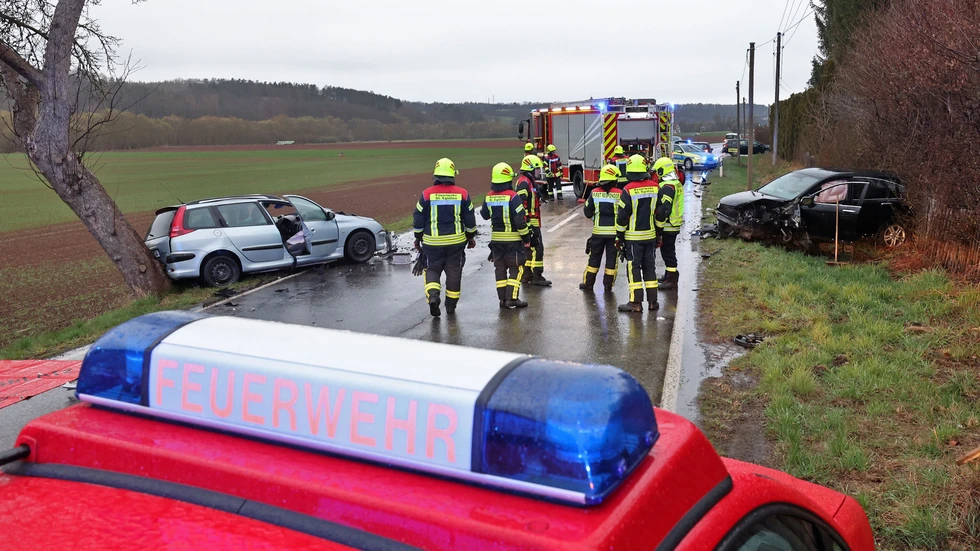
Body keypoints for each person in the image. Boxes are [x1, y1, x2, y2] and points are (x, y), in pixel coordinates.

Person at [412, 157, 477, 317]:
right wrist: (470, 237)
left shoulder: (426, 195)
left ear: (436, 175)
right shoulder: (463, 194)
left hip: (432, 243)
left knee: (432, 270)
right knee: (454, 272)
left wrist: (418, 237)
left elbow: (418, 218)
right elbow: (470, 219)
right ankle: (450, 306)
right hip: (456, 243)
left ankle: (433, 296)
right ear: (452, 175)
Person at [480, 162, 531, 309]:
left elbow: (484, 215)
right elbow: (520, 221)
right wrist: (526, 238)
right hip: (513, 241)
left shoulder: (488, 197)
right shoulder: (513, 197)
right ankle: (513, 298)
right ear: (508, 179)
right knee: (517, 268)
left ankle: (502, 300)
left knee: (500, 269)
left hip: (496, 242)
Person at [615, 154, 660, 312]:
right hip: (651, 236)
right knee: (650, 267)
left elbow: (622, 217)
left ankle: (636, 303)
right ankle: (653, 302)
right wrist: (658, 232)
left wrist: (619, 236)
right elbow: (660, 213)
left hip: (633, 238)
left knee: (634, 268)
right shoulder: (655, 187)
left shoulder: (627, 190)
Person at [580, 164, 623, 292]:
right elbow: (624, 213)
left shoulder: (594, 193)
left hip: (598, 233)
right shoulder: (620, 194)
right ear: (614, 180)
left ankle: (588, 284)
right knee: (611, 261)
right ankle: (608, 285)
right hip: (614, 235)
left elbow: (587, 212)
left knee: (594, 258)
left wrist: (595, 219)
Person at [514, 155, 552, 286]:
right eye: (537, 169)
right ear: (530, 169)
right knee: (537, 249)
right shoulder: (525, 183)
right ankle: (536, 276)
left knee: (530, 250)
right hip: (530, 222)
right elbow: (520, 204)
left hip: (531, 221)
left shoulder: (527, 181)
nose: (538, 172)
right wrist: (527, 223)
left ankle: (527, 275)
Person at [654, 157, 685, 289]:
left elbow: (664, 209)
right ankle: (668, 275)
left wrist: (658, 226)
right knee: (668, 250)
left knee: (668, 251)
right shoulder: (675, 183)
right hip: (674, 223)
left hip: (669, 224)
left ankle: (671, 279)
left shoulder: (667, 187)